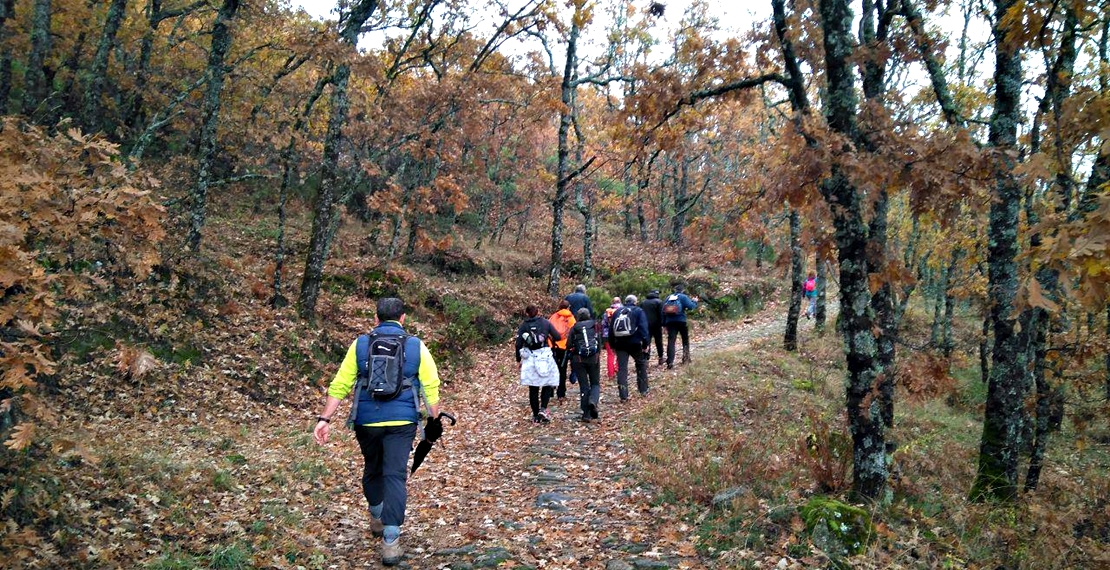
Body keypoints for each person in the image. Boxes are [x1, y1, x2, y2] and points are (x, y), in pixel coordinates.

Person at [313, 297, 442, 566]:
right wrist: (434, 419)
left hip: (367, 420)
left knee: (372, 468)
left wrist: (324, 419)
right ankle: (391, 541)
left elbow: (340, 384)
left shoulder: (360, 345)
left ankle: (376, 514)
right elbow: (430, 386)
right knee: (395, 475)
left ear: (376, 318)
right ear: (403, 318)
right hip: (402, 422)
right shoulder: (416, 346)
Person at [515, 305, 561, 423]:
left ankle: (535, 415)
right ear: (538, 312)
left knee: (533, 387)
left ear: (527, 313)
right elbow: (557, 336)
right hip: (545, 355)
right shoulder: (545, 323)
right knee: (547, 383)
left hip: (530, 357)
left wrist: (518, 359)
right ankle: (543, 409)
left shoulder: (524, 326)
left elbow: (518, 343)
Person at [608, 294, 651, 400]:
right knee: (640, 364)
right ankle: (643, 390)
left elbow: (611, 330)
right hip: (635, 343)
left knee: (622, 369)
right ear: (635, 302)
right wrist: (646, 344)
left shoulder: (617, 312)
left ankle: (623, 395)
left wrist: (612, 345)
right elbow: (643, 328)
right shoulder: (638, 311)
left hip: (620, 344)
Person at [566, 307, 601, 422]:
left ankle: (586, 413)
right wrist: (597, 353)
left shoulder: (574, 328)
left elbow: (568, 344)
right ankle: (593, 401)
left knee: (584, 385)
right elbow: (599, 341)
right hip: (593, 358)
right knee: (595, 383)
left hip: (578, 359)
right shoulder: (595, 325)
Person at [662, 284, 699, 369]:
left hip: (670, 322)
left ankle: (670, 361)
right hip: (681, 321)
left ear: (675, 289)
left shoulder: (668, 297)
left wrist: (664, 324)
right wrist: (695, 301)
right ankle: (686, 358)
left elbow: (663, 311)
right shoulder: (683, 297)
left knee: (671, 341)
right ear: (683, 290)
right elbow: (691, 307)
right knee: (685, 339)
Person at [548, 300, 576, 401]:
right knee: (562, 370)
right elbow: (573, 332)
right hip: (564, 347)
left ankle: (550, 389)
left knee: (552, 368)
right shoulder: (570, 318)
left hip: (553, 346)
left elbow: (548, 330)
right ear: (568, 307)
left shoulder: (553, 316)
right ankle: (561, 393)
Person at [639, 290, 665, 366]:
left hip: (645, 325)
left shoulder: (643, 302)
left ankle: (645, 360)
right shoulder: (659, 302)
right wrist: (663, 324)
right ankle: (660, 358)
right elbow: (661, 314)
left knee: (646, 342)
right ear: (656, 294)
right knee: (659, 342)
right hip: (656, 325)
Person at [600, 297, 622, 381]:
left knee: (610, 354)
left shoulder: (607, 312)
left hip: (607, 336)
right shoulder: (623, 310)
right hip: (620, 335)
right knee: (620, 353)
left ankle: (610, 373)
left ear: (612, 302)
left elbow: (603, 324)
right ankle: (617, 368)